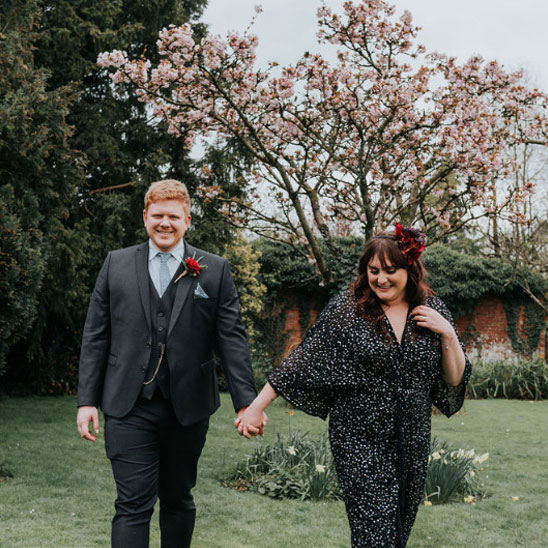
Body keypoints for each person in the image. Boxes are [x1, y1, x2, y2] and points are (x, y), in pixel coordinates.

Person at [236, 224, 471, 548]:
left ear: (410, 270)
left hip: (412, 438)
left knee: (397, 534)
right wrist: (256, 408)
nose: (381, 279)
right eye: (374, 271)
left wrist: (448, 333)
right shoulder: (349, 309)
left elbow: (455, 378)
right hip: (359, 437)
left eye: (391, 271)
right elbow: (305, 359)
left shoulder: (432, 309)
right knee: (373, 536)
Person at [77, 179, 263, 548]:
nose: (165, 223)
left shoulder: (215, 268)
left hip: (188, 407)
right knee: (132, 504)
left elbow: (231, 339)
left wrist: (247, 402)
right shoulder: (116, 263)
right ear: (145, 217)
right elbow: (96, 334)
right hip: (127, 405)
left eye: (173, 216)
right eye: (158, 215)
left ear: (187, 220)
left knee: (178, 499)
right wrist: (86, 401)